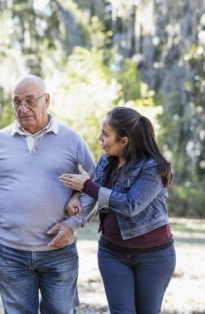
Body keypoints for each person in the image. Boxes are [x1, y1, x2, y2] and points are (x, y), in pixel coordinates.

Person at [0, 75, 97, 314]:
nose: (22, 108)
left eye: (30, 101)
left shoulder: (72, 141)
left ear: (46, 100)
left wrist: (73, 223)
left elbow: (93, 187)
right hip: (11, 252)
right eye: (17, 102)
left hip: (59, 252)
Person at [60, 106, 176, 314]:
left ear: (124, 141)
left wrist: (86, 186)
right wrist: (76, 196)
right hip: (112, 252)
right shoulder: (106, 161)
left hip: (154, 256)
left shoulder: (153, 168)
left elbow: (130, 204)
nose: (99, 139)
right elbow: (93, 189)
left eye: (105, 134)